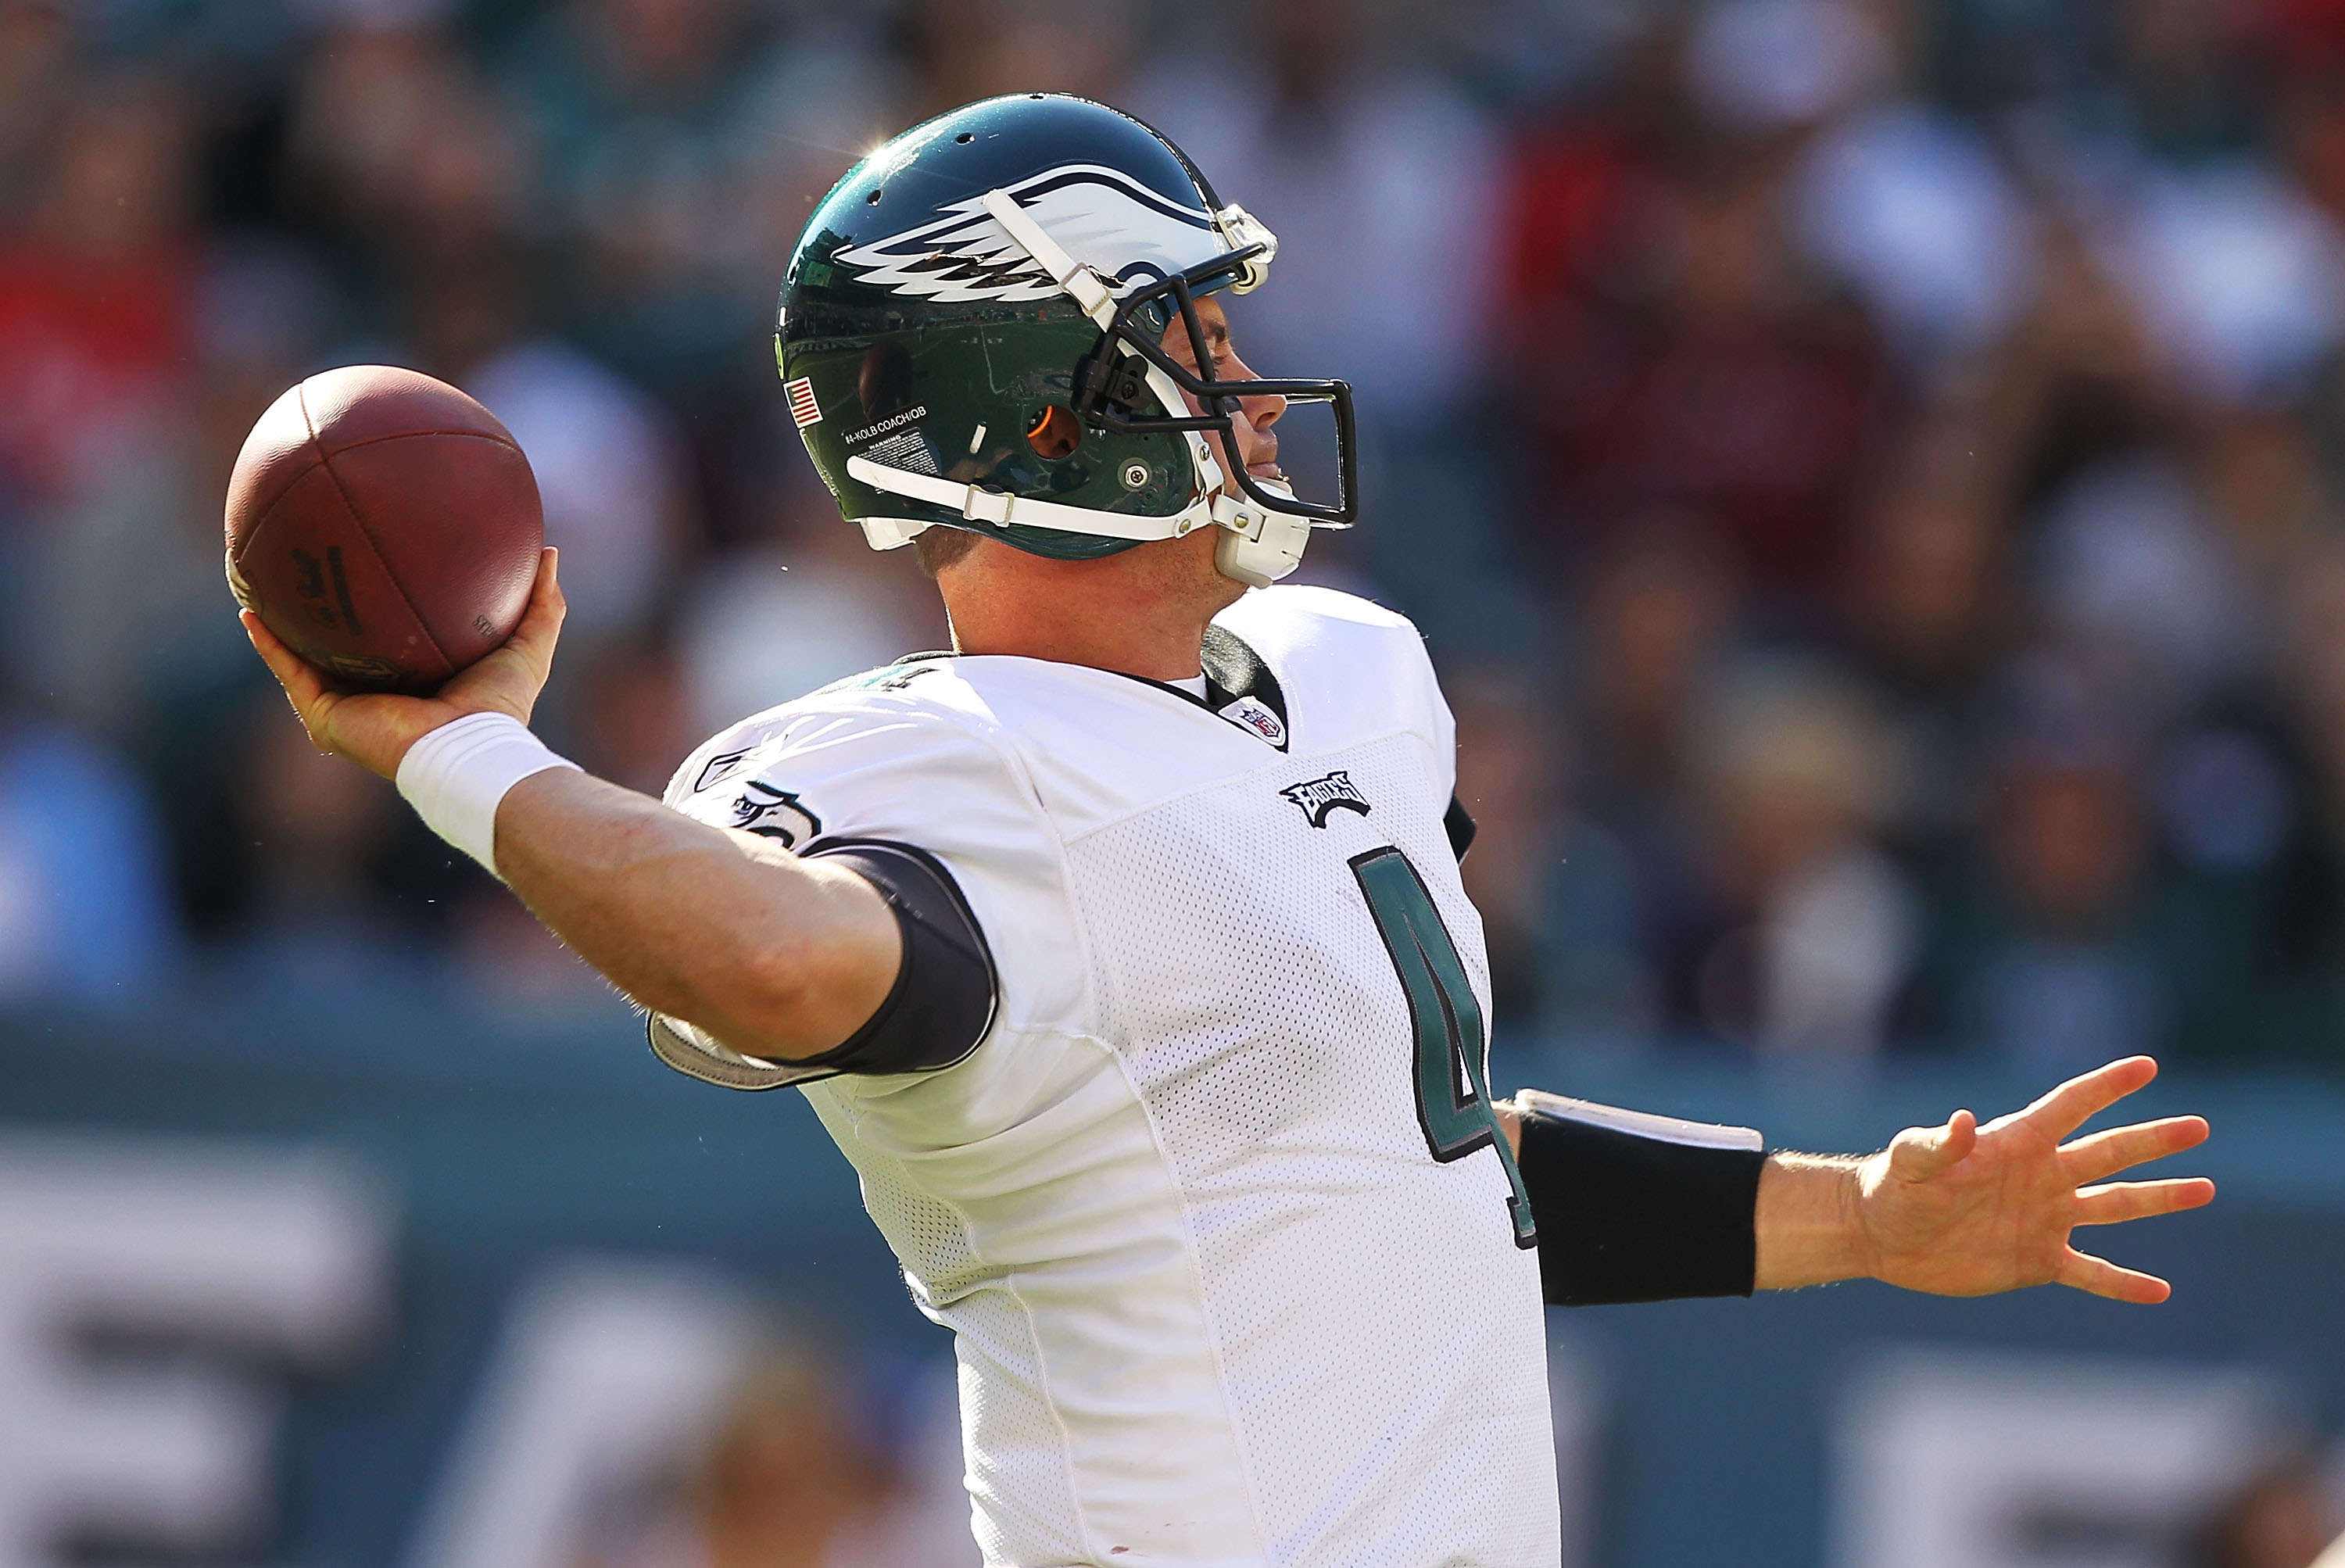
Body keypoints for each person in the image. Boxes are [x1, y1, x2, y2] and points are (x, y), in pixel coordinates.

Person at [242, 95, 2214, 1568]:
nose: (1250, 387)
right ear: (1041, 416)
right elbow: (784, 958)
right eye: (1183, 339)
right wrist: (465, 757)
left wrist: (1858, 1214)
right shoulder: (923, 772)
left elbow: (1415, 1166)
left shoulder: (1344, 670)